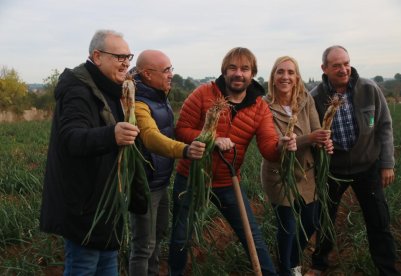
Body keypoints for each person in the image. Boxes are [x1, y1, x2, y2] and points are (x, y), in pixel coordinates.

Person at [168, 47, 296, 276]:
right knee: (180, 236)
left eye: (245, 69)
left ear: (252, 73)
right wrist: (212, 140)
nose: (239, 73)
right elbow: (181, 130)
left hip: (227, 181)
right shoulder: (203, 94)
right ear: (224, 71)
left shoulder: (259, 107)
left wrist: (282, 146)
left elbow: (268, 148)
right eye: (233, 68)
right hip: (191, 177)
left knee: (251, 235)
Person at [39, 30, 139, 275]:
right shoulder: (78, 91)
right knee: (84, 267)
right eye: (119, 57)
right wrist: (111, 134)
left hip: (106, 206)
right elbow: (71, 138)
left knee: (107, 267)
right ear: (97, 56)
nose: (126, 62)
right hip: (84, 206)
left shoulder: (113, 91)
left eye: (128, 56)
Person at [305, 45, 400, 276]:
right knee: (325, 219)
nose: (343, 69)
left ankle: (387, 269)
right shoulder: (315, 97)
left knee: (378, 220)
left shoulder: (369, 88)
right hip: (332, 170)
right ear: (324, 68)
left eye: (346, 63)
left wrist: (387, 163)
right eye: (336, 65)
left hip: (367, 166)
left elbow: (384, 127)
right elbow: (309, 133)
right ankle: (319, 264)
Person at [128, 49, 205, 276]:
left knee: (158, 234)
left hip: (159, 182)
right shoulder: (140, 103)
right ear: (147, 74)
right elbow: (150, 137)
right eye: (166, 70)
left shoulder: (158, 96)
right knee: (143, 245)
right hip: (144, 184)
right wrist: (185, 150)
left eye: (171, 68)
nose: (171, 74)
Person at [260, 56, 333, 276]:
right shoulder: (264, 105)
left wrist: (324, 142)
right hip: (279, 175)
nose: (285, 77)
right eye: (280, 72)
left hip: (307, 173)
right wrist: (310, 138)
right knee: (288, 227)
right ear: (273, 76)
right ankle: (289, 269)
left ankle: (290, 258)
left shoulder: (305, 100)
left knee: (311, 222)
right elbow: (275, 143)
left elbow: (316, 129)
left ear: (297, 77)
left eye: (290, 72)